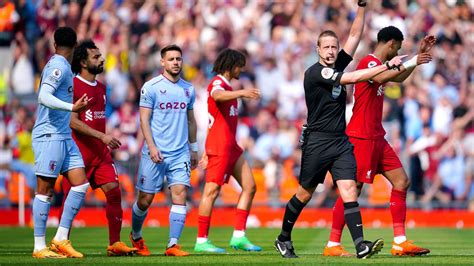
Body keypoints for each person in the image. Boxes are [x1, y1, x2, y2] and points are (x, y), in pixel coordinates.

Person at [273, 1, 407, 259]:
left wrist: (362, 7)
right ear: (318, 49)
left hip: (340, 141)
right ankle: (283, 237)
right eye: (327, 47)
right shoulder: (316, 72)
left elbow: (355, 35)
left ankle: (360, 246)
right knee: (305, 193)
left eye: (335, 47)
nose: (333, 51)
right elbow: (353, 78)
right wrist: (388, 66)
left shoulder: (335, 64)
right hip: (317, 141)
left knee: (349, 189)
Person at [323, 26, 435, 257]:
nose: (398, 52)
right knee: (352, 190)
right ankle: (333, 244)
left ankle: (400, 242)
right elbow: (383, 75)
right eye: (399, 47)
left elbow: (398, 76)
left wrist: (417, 58)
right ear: (391, 43)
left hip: (377, 136)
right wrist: (413, 59)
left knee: (402, 181)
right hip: (360, 136)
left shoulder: (381, 65)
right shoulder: (369, 63)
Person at [59, 39, 137, 256]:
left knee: (114, 193)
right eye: (96, 56)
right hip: (77, 154)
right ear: (83, 62)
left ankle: (114, 243)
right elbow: (72, 121)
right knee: (70, 201)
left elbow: (96, 119)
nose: (101, 59)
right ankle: (62, 241)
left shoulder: (102, 88)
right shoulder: (72, 85)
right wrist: (101, 136)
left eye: (100, 55)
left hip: (100, 154)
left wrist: (106, 136)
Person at [130, 44, 197, 257]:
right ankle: (136, 234)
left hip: (180, 153)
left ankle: (172, 244)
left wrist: (193, 148)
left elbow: (191, 120)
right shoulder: (151, 87)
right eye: (171, 59)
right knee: (145, 200)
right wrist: (151, 146)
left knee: (180, 193)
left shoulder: (188, 89)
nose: (176, 62)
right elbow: (143, 119)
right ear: (162, 62)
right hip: (155, 152)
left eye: (178, 58)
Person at [194, 48, 261, 253]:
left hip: (230, 145)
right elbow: (217, 96)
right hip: (221, 147)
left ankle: (239, 236)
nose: (242, 69)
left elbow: (213, 120)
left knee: (250, 187)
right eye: (240, 65)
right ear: (231, 66)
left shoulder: (228, 85)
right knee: (211, 191)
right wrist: (241, 93)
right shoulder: (218, 83)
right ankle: (201, 241)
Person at [31, 26, 90, 259]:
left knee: (80, 184)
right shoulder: (57, 66)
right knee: (44, 190)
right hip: (49, 135)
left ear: (55, 44)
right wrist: (71, 107)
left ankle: (60, 238)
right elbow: (43, 96)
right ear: (75, 46)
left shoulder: (62, 65)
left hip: (63, 134)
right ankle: (38, 247)